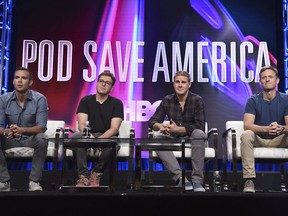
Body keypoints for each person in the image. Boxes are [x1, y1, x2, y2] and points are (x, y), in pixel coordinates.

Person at [148, 70, 207, 192]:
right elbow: (152, 121)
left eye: (183, 82)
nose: (180, 85)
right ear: (173, 84)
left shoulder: (197, 100)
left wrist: (179, 129)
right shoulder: (167, 100)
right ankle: (181, 178)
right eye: (177, 82)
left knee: (199, 133)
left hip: (192, 137)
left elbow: (200, 125)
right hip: (173, 138)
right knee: (156, 140)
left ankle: (197, 181)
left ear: (189, 84)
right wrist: (159, 126)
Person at [0, 66, 49, 192]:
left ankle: (34, 181)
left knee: (42, 138)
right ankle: (4, 181)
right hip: (10, 139)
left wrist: (22, 130)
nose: (20, 81)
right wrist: (7, 131)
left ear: (30, 82)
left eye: (23, 78)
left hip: (30, 139)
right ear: (13, 81)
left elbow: (41, 127)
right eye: (17, 78)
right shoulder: (3, 99)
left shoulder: (39, 99)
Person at [241, 65, 288, 193]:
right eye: (264, 77)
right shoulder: (253, 100)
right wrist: (267, 129)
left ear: (277, 80)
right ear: (260, 81)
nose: (267, 80)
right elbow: (247, 125)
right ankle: (249, 180)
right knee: (246, 135)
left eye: (270, 77)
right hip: (259, 139)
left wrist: (281, 129)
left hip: (280, 139)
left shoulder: (285, 99)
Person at [72, 71, 124, 187]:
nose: (103, 84)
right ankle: (83, 176)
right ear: (96, 83)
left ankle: (96, 173)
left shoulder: (117, 103)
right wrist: (89, 137)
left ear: (111, 88)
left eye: (107, 83)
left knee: (114, 143)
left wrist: (99, 140)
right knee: (76, 137)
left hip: (106, 136)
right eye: (101, 81)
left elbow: (114, 128)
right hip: (88, 135)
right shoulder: (86, 100)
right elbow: (81, 125)